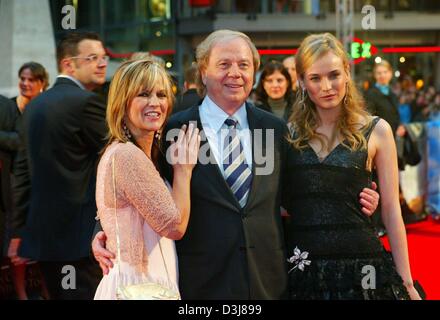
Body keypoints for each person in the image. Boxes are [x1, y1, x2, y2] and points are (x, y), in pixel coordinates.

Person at [93, 30, 379, 300]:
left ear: (253, 73)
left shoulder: (275, 129)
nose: (235, 73)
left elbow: (301, 194)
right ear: (203, 72)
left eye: (244, 64)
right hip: (201, 284)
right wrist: (103, 232)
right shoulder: (174, 130)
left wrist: (355, 196)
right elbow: (135, 186)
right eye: (224, 64)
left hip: (268, 281)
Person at [283, 33, 420, 300]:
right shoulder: (288, 135)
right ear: (301, 82)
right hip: (304, 271)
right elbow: (277, 202)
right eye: (315, 78)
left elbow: (392, 211)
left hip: (362, 267)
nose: (326, 86)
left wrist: (407, 282)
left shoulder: (377, 130)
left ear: (347, 72)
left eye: (334, 74)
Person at [10, 32, 109, 300]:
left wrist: (17, 231)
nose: (102, 64)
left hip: (45, 238)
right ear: (69, 64)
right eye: (92, 58)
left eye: (103, 57)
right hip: (81, 238)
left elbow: (21, 174)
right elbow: (117, 157)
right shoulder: (86, 103)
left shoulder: (33, 106)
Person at [94, 59, 200, 300]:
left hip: (143, 284)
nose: (155, 103)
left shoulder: (137, 152)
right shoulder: (127, 155)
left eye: (161, 94)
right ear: (122, 102)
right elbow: (174, 226)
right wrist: (183, 171)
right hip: (139, 287)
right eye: (143, 94)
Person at [3, 62, 49, 300]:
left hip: (43, 184)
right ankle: (21, 294)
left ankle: (45, 289)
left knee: (43, 244)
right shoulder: (9, 108)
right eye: (23, 78)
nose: (25, 83)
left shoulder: (46, 108)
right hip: (14, 186)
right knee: (17, 243)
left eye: (31, 80)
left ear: (42, 83)